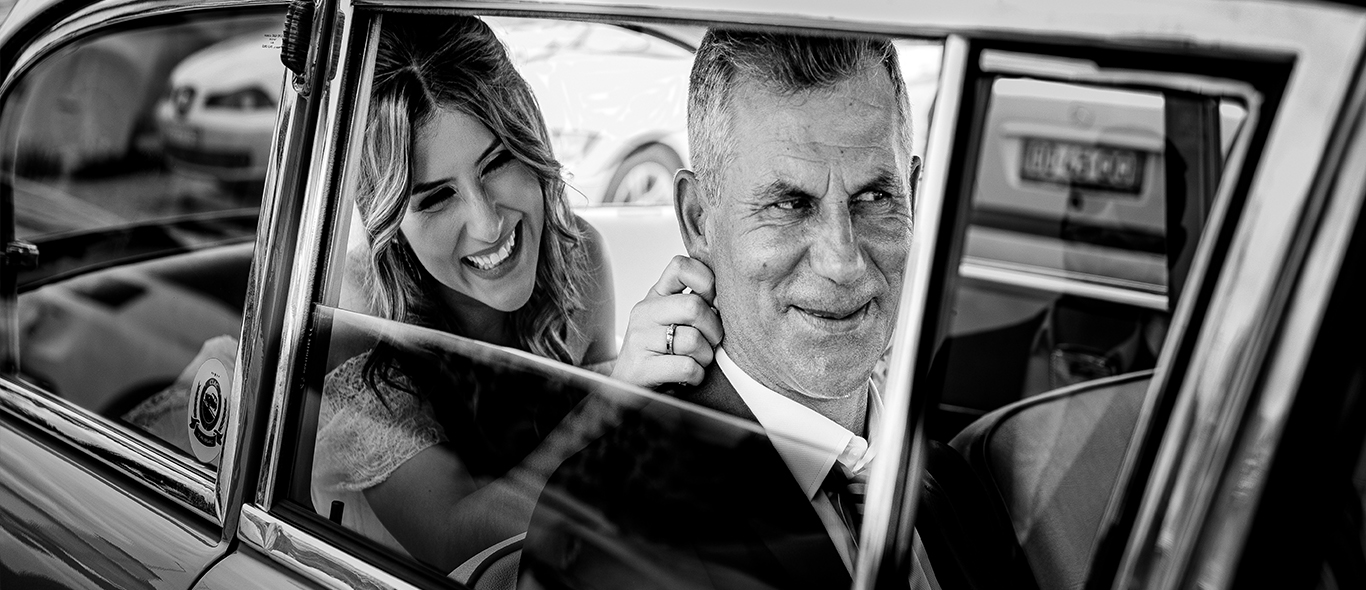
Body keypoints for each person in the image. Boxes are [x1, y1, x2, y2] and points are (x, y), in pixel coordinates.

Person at [520, 29, 1035, 590]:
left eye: (874, 198)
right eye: (790, 204)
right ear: (698, 220)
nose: (843, 262)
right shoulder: (609, 526)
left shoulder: (954, 486)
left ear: (915, 197)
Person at [309, 14, 720, 573]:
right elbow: (453, 539)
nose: (487, 225)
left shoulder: (579, 258)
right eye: (436, 198)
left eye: (497, 162)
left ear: (530, 142)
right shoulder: (358, 323)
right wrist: (617, 391)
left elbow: (598, 468)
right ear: (391, 222)